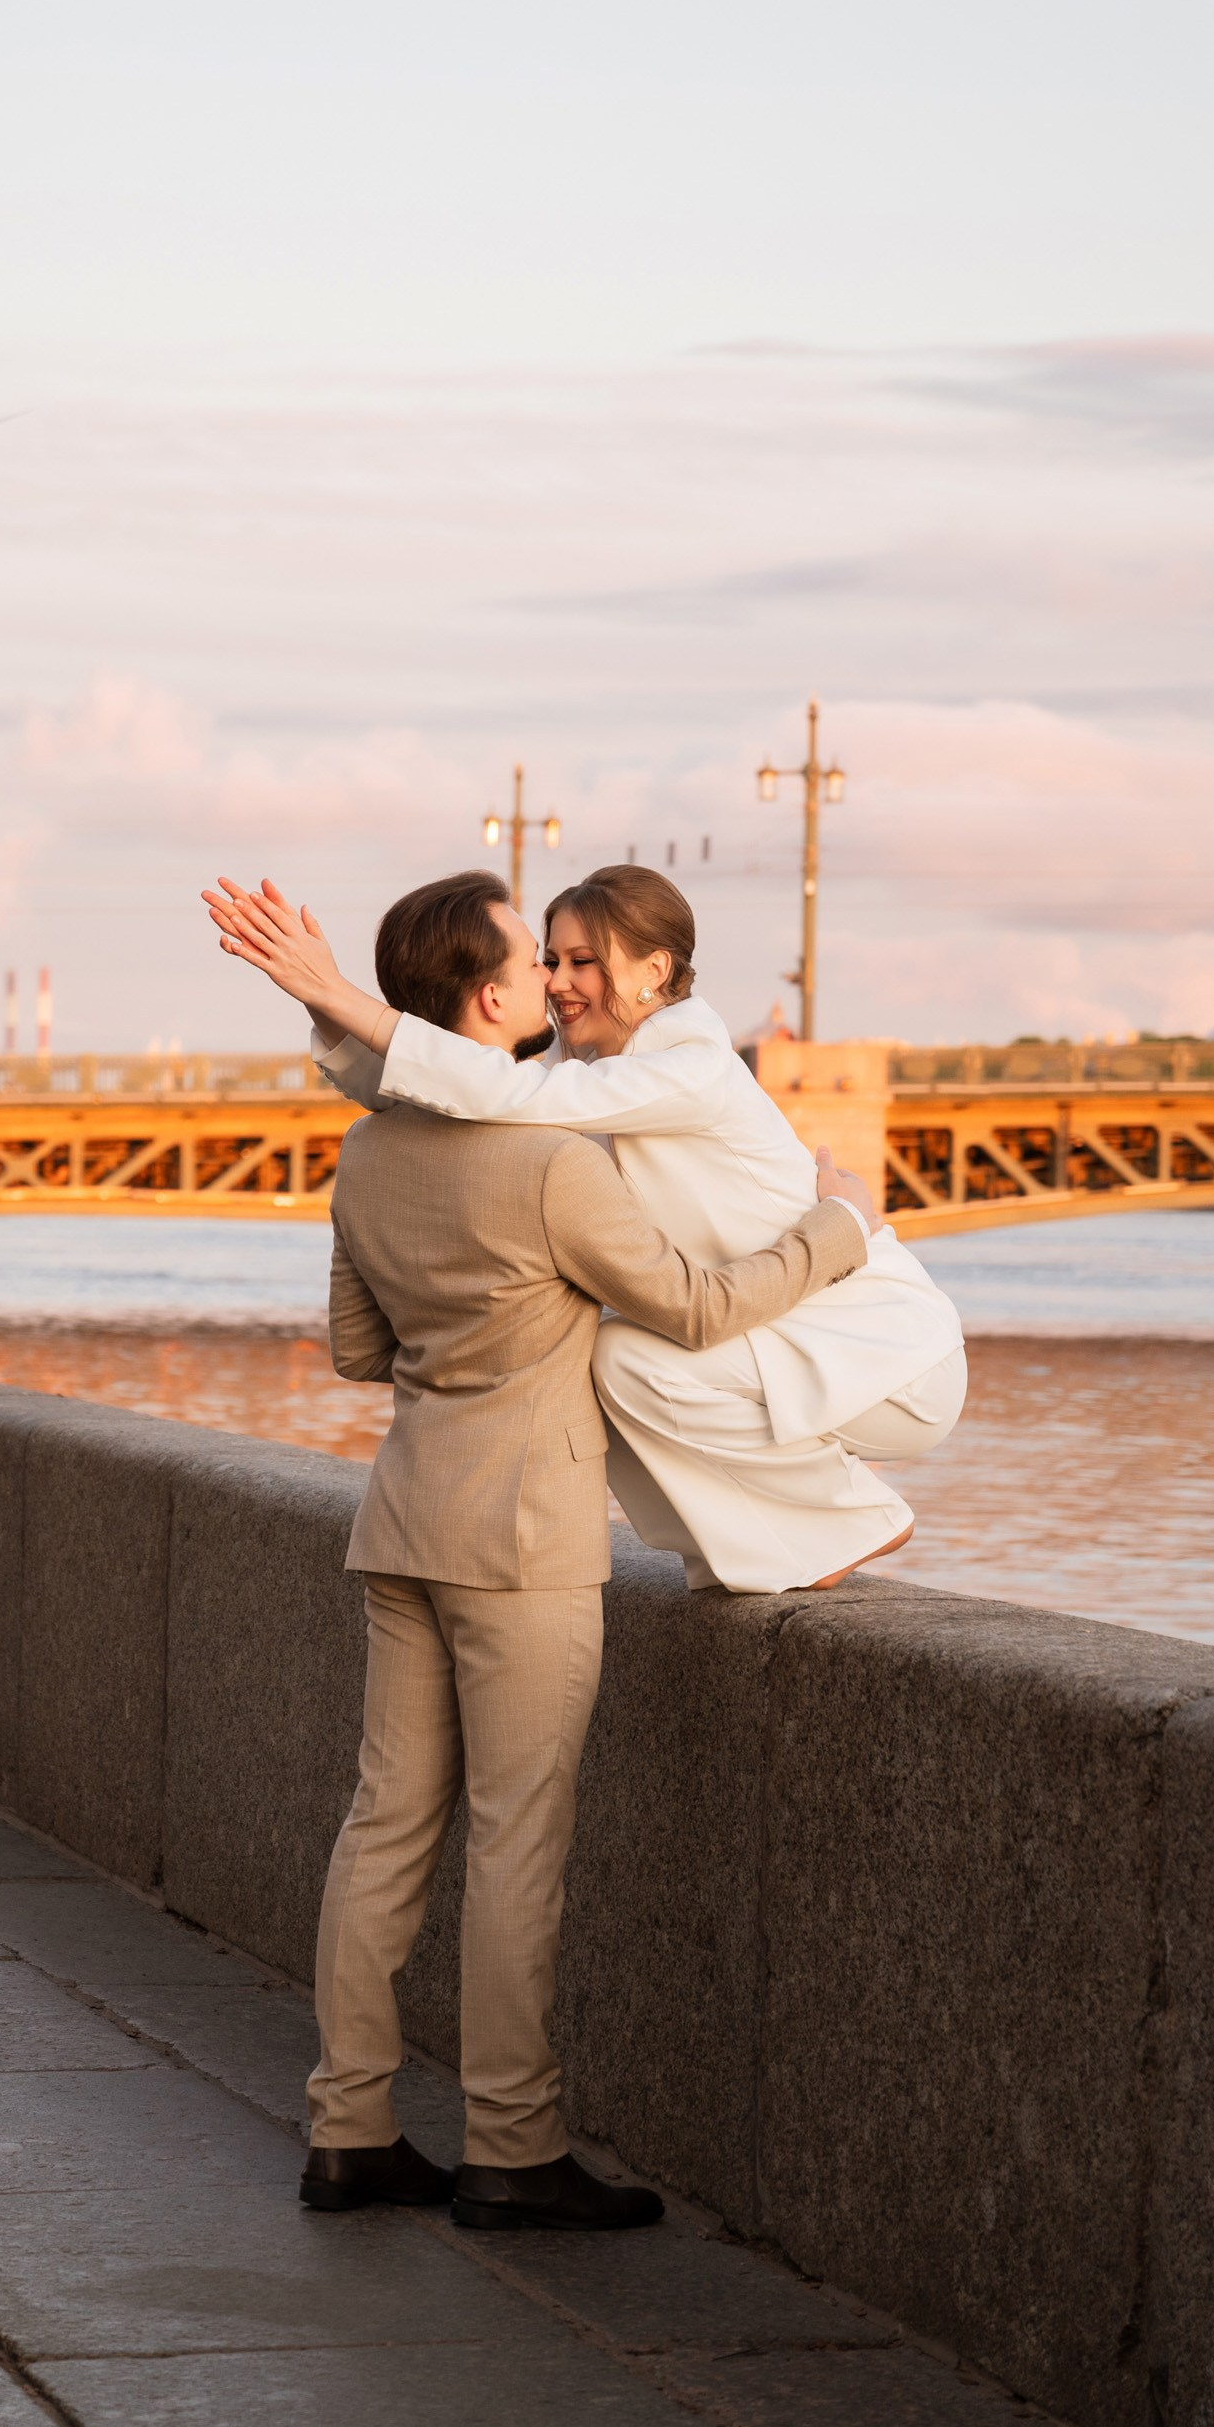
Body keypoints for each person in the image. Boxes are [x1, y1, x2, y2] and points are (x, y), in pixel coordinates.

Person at [270, 870, 876, 2230]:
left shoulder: (366, 1153)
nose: (555, 984)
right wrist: (841, 1225)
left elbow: (359, 1353)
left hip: (405, 1522)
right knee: (516, 1844)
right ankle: (511, 2150)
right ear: (488, 997)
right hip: (526, 1540)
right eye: (531, 968)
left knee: (383, 1831)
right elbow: (703, 1309)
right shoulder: (559, 1163)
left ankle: (349, 2128)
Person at [207, 863, 965, 1596]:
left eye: (582, 962)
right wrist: (319, 1005)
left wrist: (339, 993)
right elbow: (439, 1096)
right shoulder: (588, 1076)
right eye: (550, 959)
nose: (560, 980)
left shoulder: (689, 1066)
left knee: (621, 1354)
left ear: (651, 969)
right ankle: (777, 1544)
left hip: (887, 1357)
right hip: (792, 1350)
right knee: (612, 1357)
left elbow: (498, 1091)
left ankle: (847, 1522)